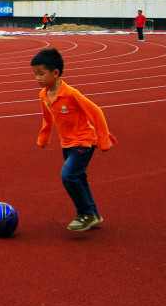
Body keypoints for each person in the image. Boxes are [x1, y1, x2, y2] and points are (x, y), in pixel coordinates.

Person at [31, 48, 115, 231]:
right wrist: (43, 139)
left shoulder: (70, 94)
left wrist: (103, 140)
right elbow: (47, 119)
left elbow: (96, 112)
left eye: (41, 73)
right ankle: (94, 214)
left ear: (55, 73)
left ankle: (85, 213)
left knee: (68, 176)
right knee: (79, 178)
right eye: (35, 74)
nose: (37, 78)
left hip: (84, 142)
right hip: (67, 144)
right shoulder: (44, 95)